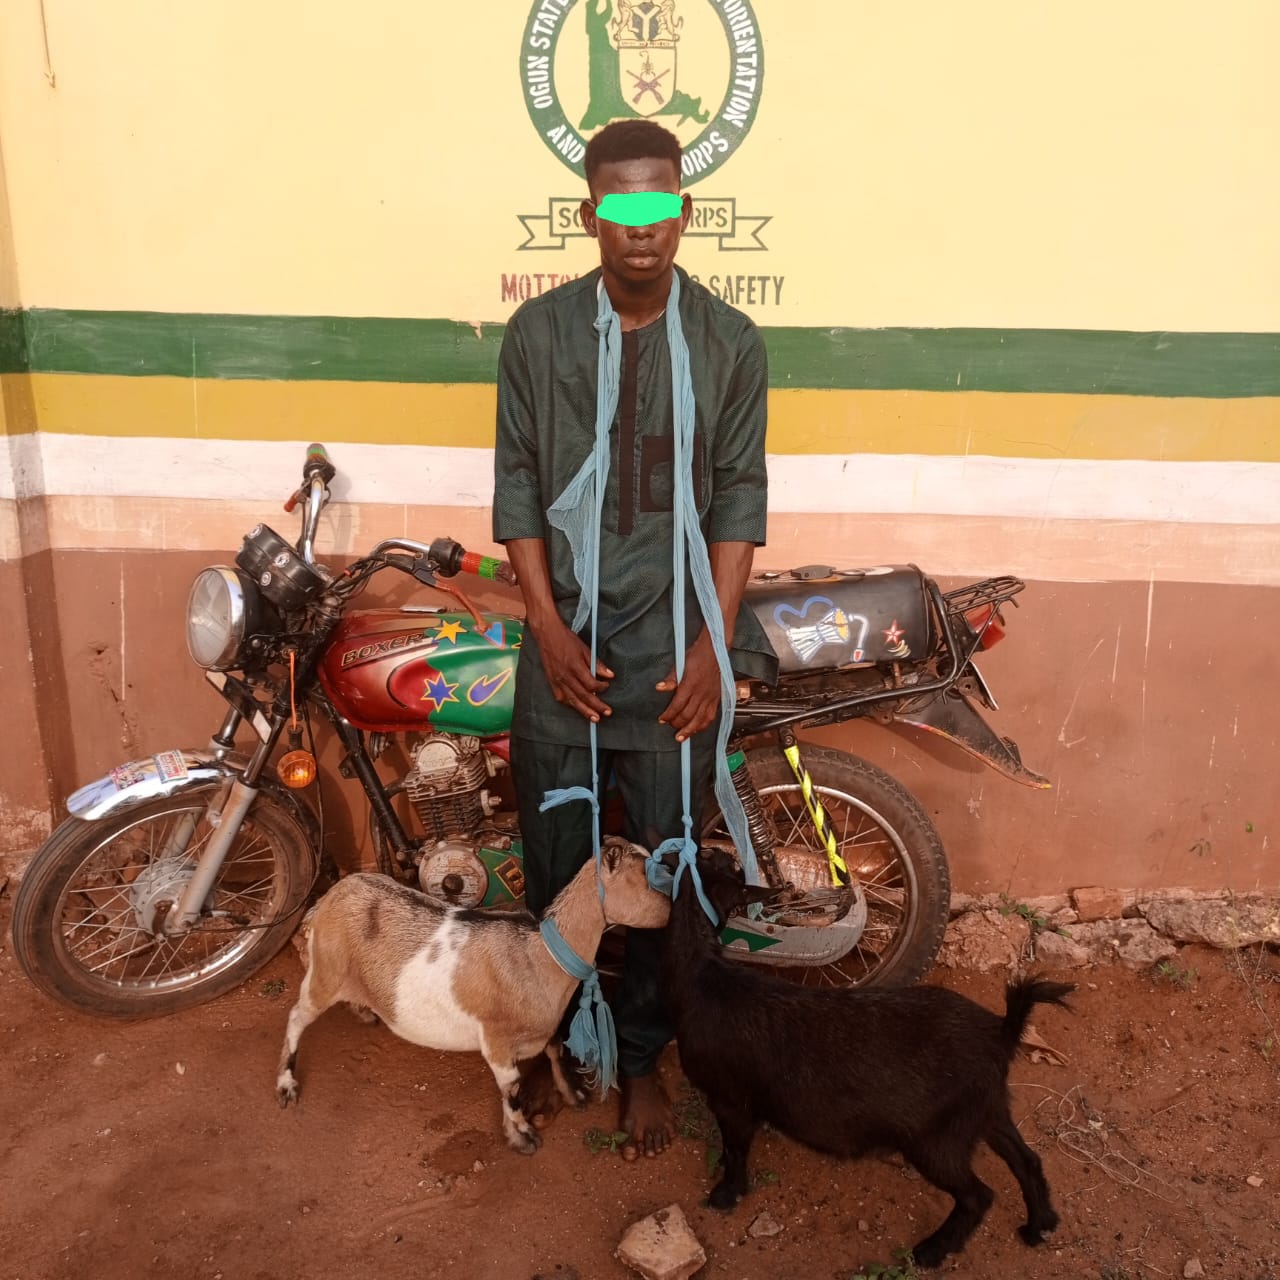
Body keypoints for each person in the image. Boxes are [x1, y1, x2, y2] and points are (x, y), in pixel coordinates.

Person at [492, 118, 776, 1158]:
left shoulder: (729, 342)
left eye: (659, 206)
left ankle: (645, 1056)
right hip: (564, 647)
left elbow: (738, 494)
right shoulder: (539, 336)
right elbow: (518, 483)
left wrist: (711, 645)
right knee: (556, 860)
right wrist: (545, 625)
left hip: (671, 655)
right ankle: (554, 1036)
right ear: (592, 216)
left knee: (663, 870)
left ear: (683, 212)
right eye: (622, 207)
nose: (642, 227)